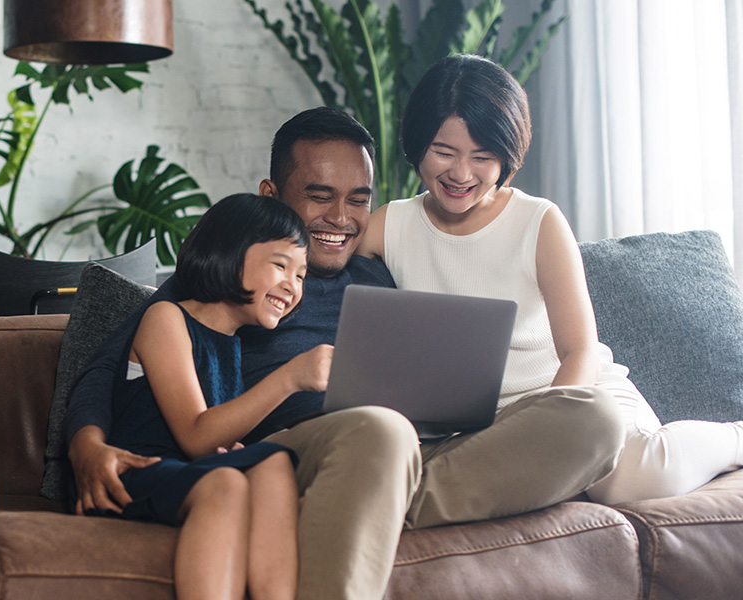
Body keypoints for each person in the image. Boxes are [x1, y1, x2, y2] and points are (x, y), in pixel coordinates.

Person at [67, 105, 623, 599]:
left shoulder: (379, 271)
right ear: (272, 197)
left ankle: (375, 501)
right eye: (319, 196)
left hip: (418, 450)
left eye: (358, 199)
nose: (341, 218)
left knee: (595, 418)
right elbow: (107, 360)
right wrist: (87, 447)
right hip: (311, 451)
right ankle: (367, 493)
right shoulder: (239, 276)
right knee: (379, 430)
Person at [360, 53, 743, 505]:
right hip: (479, 426)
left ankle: (736, 437)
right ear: (417, 143)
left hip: (575, 398)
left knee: (625, 480)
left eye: (482, 157)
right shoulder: (389, 227)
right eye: (444, 152)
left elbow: (580, 351)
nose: (461, 174)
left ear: (507, 157)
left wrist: (552, 429)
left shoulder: (538, 221)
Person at [100, 193, 328, 600]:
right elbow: (195, 434)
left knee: (272, 461)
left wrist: (231, 448)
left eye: (301, 275)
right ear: (229, 253)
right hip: (134, 473)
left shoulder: (232, 345)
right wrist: (291, 377)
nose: (293, 285)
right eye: (280, 265)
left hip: (183, 475)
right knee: (226, 483)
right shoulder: (166, 318)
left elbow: (212, 440)